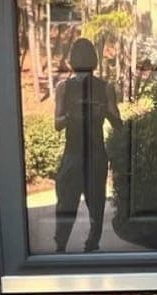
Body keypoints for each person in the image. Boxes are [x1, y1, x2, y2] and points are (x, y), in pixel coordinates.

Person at [53, 38, 122, 253]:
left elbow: (116, 122)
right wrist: (73, 115)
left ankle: (69, 244)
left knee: (76, 202)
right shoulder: (65, 87)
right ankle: (74, 243)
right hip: (78, 153)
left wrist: (101, 111)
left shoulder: (103, 87)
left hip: (87, 154)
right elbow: (58, 123)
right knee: (86, 201)